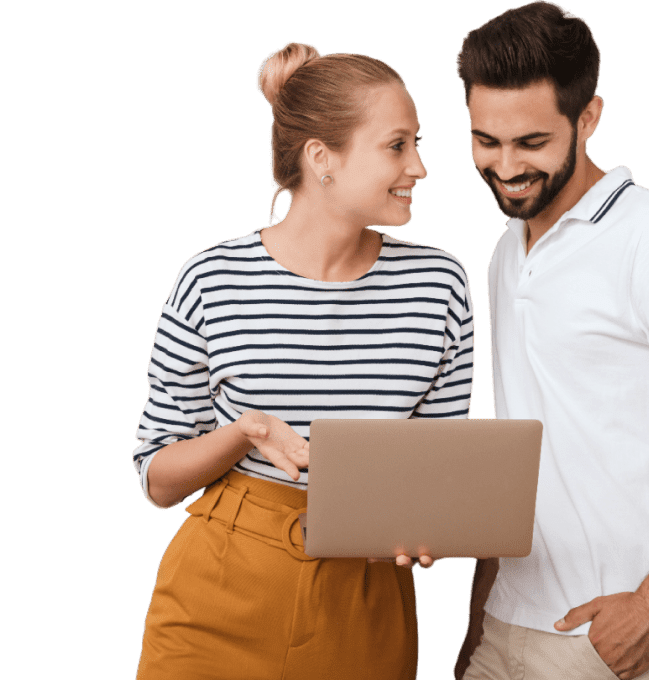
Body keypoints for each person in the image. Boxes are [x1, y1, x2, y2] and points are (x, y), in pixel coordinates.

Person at [451, 3, 649, 680]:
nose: (505, 166)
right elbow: (525, 449)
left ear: (589, 117)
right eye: (486, 140)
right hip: (508, 623)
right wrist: (478, 622)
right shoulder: (507, 251)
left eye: (531, 142)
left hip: (611, 637)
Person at [132, 41, 474, 680]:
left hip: (363, 604)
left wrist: (426, 527)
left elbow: (437, 471)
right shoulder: (211, 280)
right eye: (397, 146)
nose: (420, 167)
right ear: (322, 159)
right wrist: (245, 432)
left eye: (417, 144)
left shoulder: (439, 285)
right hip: (217, 591)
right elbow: (158, 478)